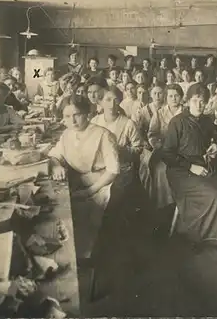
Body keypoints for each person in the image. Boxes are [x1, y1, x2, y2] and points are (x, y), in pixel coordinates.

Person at [49, 94, 125, 299]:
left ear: (88, 114)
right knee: (58, 213)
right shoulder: (66, 134)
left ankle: (86, 261)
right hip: (76, 181)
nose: (72, 120)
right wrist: (56, 165)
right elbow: (55, 154)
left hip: (101, 183)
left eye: (77, 115)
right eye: (67, 116)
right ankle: (69, 259)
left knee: (86, 224)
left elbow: (113, 171)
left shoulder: (103, 134)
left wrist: (91, 191)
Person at [161, 83, 217, 246]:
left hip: (202, 169)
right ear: (188, 101)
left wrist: (216, 145)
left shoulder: (206, 120)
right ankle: (203, 238)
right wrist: (190, 167)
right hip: (181, 172)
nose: (199, 105)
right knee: (214, 196)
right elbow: (167, 154)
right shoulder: (177, 122)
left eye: (203, 101)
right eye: (195, 100)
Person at [140, 83, 183, 212]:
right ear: (166, 98)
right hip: (165, 151)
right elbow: (152, 134)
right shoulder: (160, 113)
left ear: (181, 97)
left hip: (184, 150)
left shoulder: (186, 111)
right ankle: (165, 205)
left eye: (176, 96)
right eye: (170, 96)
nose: (173, 99)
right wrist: (160, 147)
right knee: (160, 170)